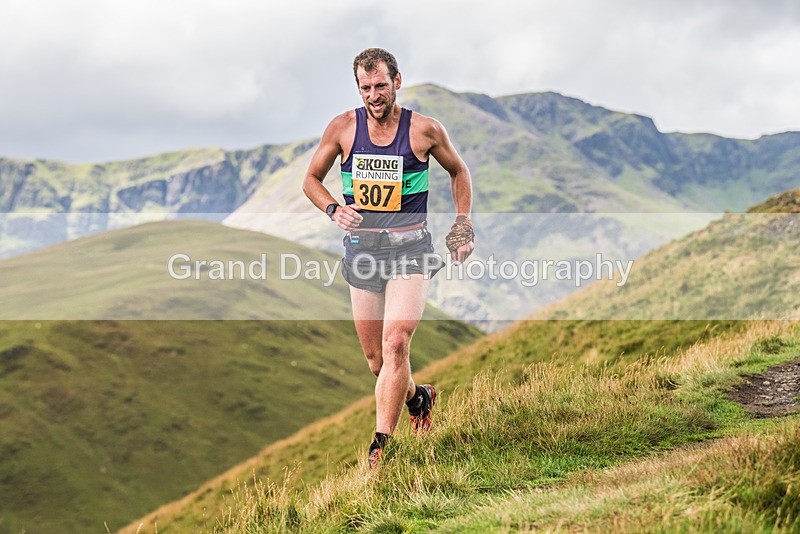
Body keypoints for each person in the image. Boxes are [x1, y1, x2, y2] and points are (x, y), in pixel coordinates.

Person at [302, 48, 474, 468]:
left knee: (396, 343)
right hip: (363, 253)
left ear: (397, 81)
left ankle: (382, 447)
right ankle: (420, 397)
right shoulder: (343, 128)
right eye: (365, 88)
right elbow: (310, 180)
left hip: (411, 250)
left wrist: (462, 224)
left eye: (381, 85)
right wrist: (332, 208)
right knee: (377, 362)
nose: (374, 95)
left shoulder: (425, 131)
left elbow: (459, 171)